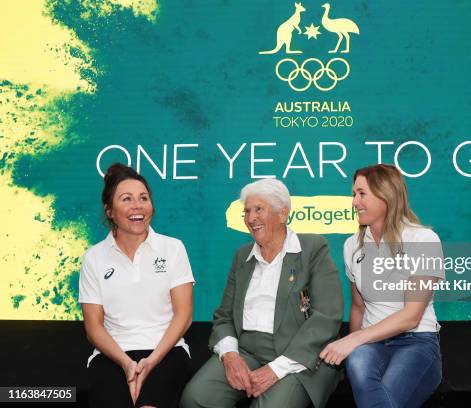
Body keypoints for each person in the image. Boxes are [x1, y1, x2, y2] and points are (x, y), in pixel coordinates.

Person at [181, 178, 343, 408]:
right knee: (196, 398)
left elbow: (326, 318)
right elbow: (224, 316)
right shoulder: (242, 256)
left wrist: (275, 369)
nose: (250, 218)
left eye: (259, 209)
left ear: (283, 213)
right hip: (246, 351)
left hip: (298, 355)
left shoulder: (313, 248)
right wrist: (230, 356)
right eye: (247, 211)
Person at [320, 164, 445, 408]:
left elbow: (411, 316)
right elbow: (358, 307)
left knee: (383, 394)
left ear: (386, 195)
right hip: (372, 344)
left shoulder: (423, 239)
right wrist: (355, 343)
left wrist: (353, 340)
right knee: (357, 362)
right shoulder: (352, 246)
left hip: (416, 341)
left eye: (361, 193)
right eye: (353, 195)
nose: (354, 202)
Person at [79, 163, 195, 408]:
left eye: (144, 198)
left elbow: (183, 316)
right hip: (112, 356)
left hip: (166, 352)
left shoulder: (173, 248)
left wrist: (151, 361)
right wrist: (126, 364)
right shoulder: (94, 257)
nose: (138, 206)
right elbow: (93, 327)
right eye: (126, 199)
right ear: (109, 210)